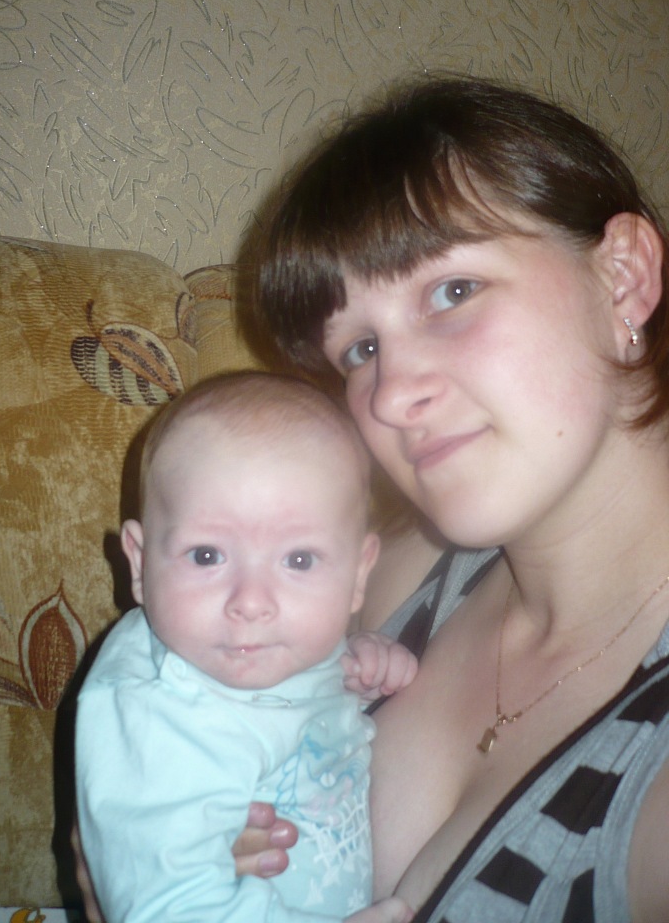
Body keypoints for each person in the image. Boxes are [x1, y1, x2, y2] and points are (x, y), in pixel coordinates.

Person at [236, 75, 669, 922]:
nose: (393, 395)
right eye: (360, 349)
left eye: (452, 292)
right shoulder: (395, 579)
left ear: (623, 279)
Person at [74, 371, 418, 923]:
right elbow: (167, 908)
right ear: (139, 563)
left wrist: (348, 663)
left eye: (299, 560)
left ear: (358, 575)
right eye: (207, 556)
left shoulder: (259, 651)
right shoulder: (158, 715)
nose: (251, 603)